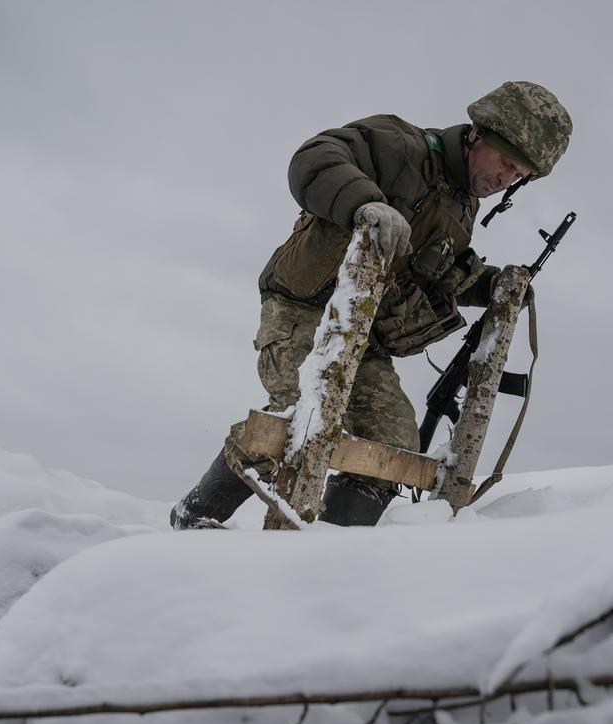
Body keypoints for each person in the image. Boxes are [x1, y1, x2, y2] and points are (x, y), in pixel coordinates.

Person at [171, 81, 572, 529]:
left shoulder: (462, 210)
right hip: (305, 309)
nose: (505, 179)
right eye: (504, 162)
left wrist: (494, 287)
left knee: (396, 443)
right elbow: (315, 158)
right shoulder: (400, 144)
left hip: (365, 338)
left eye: (518, 175)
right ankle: (194, 518)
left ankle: (334, 549)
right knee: (300, 416)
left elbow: (439, 274)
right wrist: (365, 204)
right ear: (478, 135)